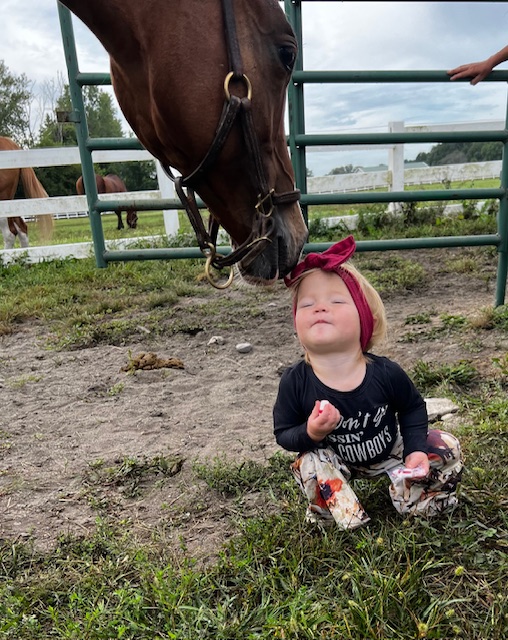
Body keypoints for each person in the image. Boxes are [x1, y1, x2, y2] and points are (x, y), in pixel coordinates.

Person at [273, 235, 463, 530]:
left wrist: (414, 450)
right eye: (307, 304)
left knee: (445, 445)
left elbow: (413, 408)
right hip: (336, 461)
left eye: (336, 301)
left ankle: (415, 498)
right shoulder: (295, 381)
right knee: (309, 463)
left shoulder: (385, 372)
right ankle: (340, 514)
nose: (319, 308)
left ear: (365, 318)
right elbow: (284, 434)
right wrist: (310, 432)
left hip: (390, 451)